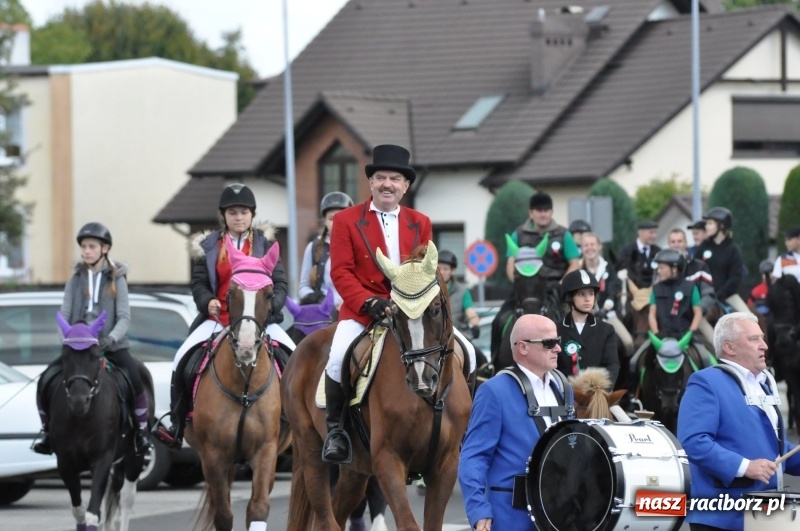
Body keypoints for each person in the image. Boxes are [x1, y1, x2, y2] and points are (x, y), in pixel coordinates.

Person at [322, 144, 476, 463]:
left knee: (470, 353)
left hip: (412, 312)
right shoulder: (347, 220)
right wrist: (368, 301)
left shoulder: (420, 221)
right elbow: (341, 271)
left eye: (394, 179)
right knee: (337, 358)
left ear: (405, 186)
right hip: (364, 312)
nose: (387, 184)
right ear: (371, 183)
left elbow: (425, 270)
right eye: (380, 177)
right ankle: (337, 431)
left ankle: (463, 425)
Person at [153, 183, 291, 448]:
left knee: (293, 356)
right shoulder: (209, 246)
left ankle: (296, 419)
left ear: (252, 214)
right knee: (181, 358)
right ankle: (177, 422)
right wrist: (208, 302)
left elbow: (281, 282)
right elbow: (199, 284)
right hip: (219, 320)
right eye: (232, 213)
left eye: (243, 212)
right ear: (223, 216)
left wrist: (272, 306)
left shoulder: (266, 245)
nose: (238, 218)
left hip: (260, 321)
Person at [34, 222, 151, 455]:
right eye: (84, 247)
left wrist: (112, 338)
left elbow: (124, 317)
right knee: (45, 379)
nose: (86, 251)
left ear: (104, 249)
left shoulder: (117, 280)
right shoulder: (75, 280)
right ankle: (47, 431)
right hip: (78, 349)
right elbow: (64, 314)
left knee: (136, 379)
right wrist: (67, 338)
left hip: (111, 345)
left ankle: (141, 432)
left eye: (92, 246)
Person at [677, 312, 800, 530]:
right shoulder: (706, 381)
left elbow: (776, 451)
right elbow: (693, 442)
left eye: (762, 338)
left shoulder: (764, 384)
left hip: (765, 514)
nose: (764, 346)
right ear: (729, 348)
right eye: (754, 339)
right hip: (722, 518)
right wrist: (745, 466)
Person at [459, 314, 574, 531]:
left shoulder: (563, 387)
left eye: (558, 341)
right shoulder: (494, 391)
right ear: (523, 347)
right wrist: (478, 509)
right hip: (511, 518)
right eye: (549, 343)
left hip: (557, 515)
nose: (558, 348)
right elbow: (474, 456)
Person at [556, 270, 619, 385]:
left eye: (591, 293)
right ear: (569, 297)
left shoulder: (606, 330)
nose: (588, 299)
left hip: (596, 392)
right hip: (563, 392)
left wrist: (600, 390)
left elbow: (612, 365)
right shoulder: (555, 329)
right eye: (581, 294)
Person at [505, 191, 580, 286]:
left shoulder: (564, 234)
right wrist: (518, 284)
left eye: (546, 210)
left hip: (556, 285)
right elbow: (511, 264)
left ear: (552, 212)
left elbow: (575, 264)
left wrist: (562, 284)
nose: (543, 214)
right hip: (527, 287)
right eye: (539, 210)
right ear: (531, 213)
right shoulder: (518, 234)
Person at [579, 232, 633, 355]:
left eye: (592, 244)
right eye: (586, 245)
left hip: (607, 314)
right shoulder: (578, 269)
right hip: (582, 316)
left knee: (628, 343)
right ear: (582, 248)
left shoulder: (608, 268)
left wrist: (605, 308)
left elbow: (612, 290)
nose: (589, 248)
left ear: (599, 246)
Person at [298, 191, 353, 306]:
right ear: (325, 222)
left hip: (353, 307)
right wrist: (319, 299)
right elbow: (304, 287)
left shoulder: (360, 245)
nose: (337, 222)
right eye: (331, 219)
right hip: (323, 310)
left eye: (342, 217)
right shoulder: (314, 247)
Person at [667, 228, 716, 345]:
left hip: (696, 315)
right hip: (668, 317)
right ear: (668, 244)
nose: (676, 245)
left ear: (686, 243)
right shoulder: (662, 269)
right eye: (673, 242)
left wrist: (697, 311)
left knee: (714, 344)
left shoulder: (699, 266)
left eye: (679, 241)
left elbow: (708, 294)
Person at [696, 207, 749, 313]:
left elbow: (735, 277)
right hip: (704, 297)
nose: (706, 227)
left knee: (748, 317)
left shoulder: (733, 250)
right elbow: (695, 271)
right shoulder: (703, 247)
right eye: (706, 224)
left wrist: (720, 294)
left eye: (710, 223)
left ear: (721, 226)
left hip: (728, 296)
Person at [648, 249, 702, 339]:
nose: (658, 271)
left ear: (674, 269)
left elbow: (698, 313)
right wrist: (656, 333)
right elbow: (652, 314)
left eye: (662, 268)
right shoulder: (655, 289)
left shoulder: (691, 287)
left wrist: (690, 332)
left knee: (705, 348)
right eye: (658, 268)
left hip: (686, 336)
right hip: (662, 337)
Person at [616, 220, 660, 287]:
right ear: (640, 232)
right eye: (651, 232)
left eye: (655, 232)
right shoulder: (627, 251)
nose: (654, 236)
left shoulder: (658, 251)